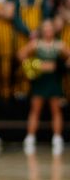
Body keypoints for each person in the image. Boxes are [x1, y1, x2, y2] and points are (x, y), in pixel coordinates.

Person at [18, 20, 70, 154]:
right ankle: (30, 137)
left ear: (54, 30)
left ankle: (57, 137)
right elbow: (21, 54)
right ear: (42, 31)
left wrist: (62, 67)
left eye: (50, 28)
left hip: (54, 80)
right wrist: (33, 66)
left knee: (56, 109)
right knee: (35, 109)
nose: (47, 31)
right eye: (45, 29)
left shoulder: (59, 45)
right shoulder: (36, 44)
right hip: (40, 80)